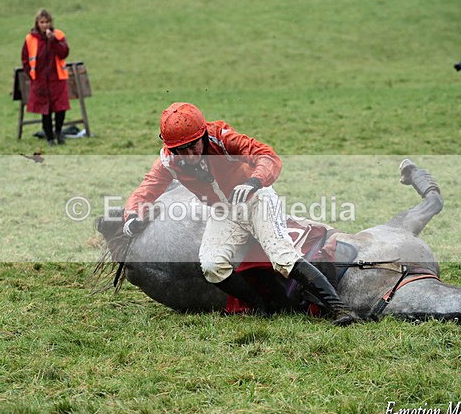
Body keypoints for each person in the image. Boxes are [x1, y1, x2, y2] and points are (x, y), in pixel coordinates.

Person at [122, 102, 357, 325]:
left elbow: (267, 155)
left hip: (256, 200)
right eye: (181, 150)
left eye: (193, 146)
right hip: (224, 212)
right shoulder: (167, 161)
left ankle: (339, 308)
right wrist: (132, 215)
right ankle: (260, 306)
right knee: (212, 266)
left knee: (283, 258)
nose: (190, 156)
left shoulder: (223, 137)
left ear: (203, 135)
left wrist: (254, 182)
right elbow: (147, 189)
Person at [21, 9, 71, 146]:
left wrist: (53, 40)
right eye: (42, 22)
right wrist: (31, 75)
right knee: (45, 110)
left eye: (47, 22)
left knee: (61, 108)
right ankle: (50, 138)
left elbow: (64, 53)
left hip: (57, 79)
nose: (45, 25)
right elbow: (25, 59)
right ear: (37, 23)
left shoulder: (58, 35)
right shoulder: (30, 39)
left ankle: (59, 132)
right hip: (40, 80)